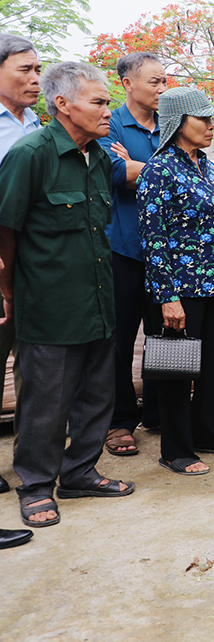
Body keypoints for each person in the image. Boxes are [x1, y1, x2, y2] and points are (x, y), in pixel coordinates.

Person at [0, 61, 135, 529]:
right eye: (98, 102)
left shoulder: (98, 156)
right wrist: (7, 291)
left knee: (97, 394)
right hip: (49, 305)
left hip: (98, 301)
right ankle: (36, 485)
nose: (107, 112)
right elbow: (6, 229)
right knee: (45, 403)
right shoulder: (31, 154)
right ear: (63, 104)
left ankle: (79, 473)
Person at [137, 87, 214, 474]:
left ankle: (204, 434)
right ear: (178, 122)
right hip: (177, 290)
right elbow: (152, 239)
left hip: (213, 285)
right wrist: (167, 296)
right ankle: (176, 449)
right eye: (204, 119)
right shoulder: (158, 169)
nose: (212, 126)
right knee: (177, 372)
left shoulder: (208, 165)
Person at [97, 52, 167, 457]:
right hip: (122, 248)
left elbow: (181, 175)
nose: (162, 89)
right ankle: (120, 421)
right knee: (118, 341)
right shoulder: (110, 123)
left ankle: (159, 410)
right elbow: (112, 173)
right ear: (127, 83)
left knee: (164, 337)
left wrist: (138, 168)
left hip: (166, 254)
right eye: (154, 82)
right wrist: (154, 172)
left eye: (164, 82)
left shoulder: (170, 125)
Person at [0, 32, 41, 548]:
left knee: (26, 368)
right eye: (24, 69)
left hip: (29, 271)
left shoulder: (36, 125)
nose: (34, 79)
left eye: (38, 70)